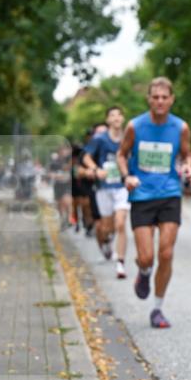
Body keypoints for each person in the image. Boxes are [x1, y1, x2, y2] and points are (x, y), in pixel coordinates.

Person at [116, 77, 191, 328]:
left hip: (169, 194)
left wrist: (188, 167)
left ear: (171, 99)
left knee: (167, 253)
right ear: (148, 99)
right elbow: (121, 154)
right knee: (146, 257)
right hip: (142, 195)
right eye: (155, 97)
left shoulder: (180, 127)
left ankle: (157, 309)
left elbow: (187, 155)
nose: (160, 101)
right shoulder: (135, 126)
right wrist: (126, 176)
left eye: (164, 97)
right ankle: (144, 272)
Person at [82, 106, 130, 278]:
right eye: (112, 115)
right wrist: (96, 170)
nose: (116, 118)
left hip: (122, 186)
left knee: (121, 223)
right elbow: (86, 157)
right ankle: (106, 241)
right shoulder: (100, 139)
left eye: (119, 115)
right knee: (106, 227)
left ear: (123, 119)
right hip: (104, 187)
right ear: (108, 120)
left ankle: (120, 264)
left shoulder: (129, 137)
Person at [48, 147, 74, 228]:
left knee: (67, 201)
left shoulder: (69, 161)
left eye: (65, 151)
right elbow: (50, 173)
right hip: (58, 185)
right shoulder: (54, 163)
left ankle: (69, 218)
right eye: (62, 151)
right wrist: (56, 176)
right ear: (59, 152)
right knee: (60, 204)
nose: (64, 153)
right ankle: (63, 219)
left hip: (67, 185)